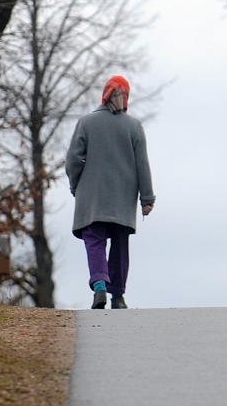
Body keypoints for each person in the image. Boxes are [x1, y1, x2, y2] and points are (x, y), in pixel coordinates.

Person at [66, 75, 155, 309]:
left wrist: (76, 185)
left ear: (104, 95)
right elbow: (142, 164)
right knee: (120, 244)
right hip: (123, 199)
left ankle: (99, 287)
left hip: (92, 198)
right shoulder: (134, 127)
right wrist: (147, 197)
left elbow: (73, 160)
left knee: (94, 241)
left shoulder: (86, 123)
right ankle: (118, 296)